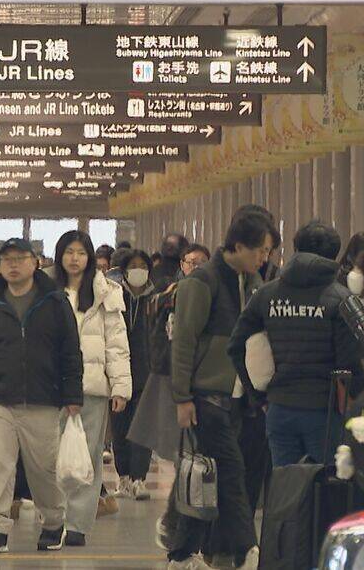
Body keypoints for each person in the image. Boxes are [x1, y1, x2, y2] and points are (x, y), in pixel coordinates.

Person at [162, 211, 275, 570]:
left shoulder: (253, 283)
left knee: (209, 473)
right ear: (238, 246)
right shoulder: (203, 282)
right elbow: (183, 342)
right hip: (206, 396)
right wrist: (182, 397)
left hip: (241, 397)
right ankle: (247, 549)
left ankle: (182, 549)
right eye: (261, 250)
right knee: (230, 469)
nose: (265, 258)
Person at [0, 238, 83, 555]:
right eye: (6, 259)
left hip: (43, 398)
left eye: (20, 258)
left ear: (35, 262)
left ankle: (52, 521)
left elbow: (70, 351)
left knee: (43, 468)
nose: (13, 264)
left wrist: (72, 394)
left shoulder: (54, 300)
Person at [229, 221, 364, 469]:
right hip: (324, 413)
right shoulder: (340, 298)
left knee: (286, 488)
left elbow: (236, 345)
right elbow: (350, 362)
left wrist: (257, 395)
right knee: (324, 487)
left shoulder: (267, 294)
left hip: (279, 409)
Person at [50, 230, 131, 547]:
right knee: (50, 456)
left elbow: (117, 344)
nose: (74, 258)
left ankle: (79, 524)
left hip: (93, 388)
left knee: (89, 456)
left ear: (90, 257)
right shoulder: (45, 291)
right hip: (52, 388)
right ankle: (54, 519)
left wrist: (121, 387)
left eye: (80, 252)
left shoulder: (107, 292)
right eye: (68, 252)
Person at [128, 244, 211, 465]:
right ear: (182, 265)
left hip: (202, 373)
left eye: (201, 263)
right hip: (169, 368)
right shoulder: (169, 293)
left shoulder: (212, 292)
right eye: (191, 262)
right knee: (171, 434)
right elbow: (154, 322)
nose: (195, 267)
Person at [112, 249, 156, 502]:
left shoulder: (157, 299)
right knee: (120, 429)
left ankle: (140, 478)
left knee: (142, 430)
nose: (138, 270)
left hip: (146, 373)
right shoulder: (115, 297)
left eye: (143, 265)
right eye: (133, 265)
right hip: (119, 374)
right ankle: (124, 477)